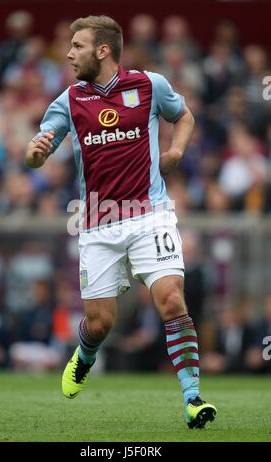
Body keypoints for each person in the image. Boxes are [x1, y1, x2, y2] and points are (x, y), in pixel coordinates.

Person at [25, 15, 217, 429]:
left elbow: (184, 116)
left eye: (77, 45)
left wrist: (177, 152)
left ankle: (193, 398)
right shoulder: (70, 100)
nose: (70, 53)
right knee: (100, 323)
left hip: (151, 214)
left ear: (103, 50)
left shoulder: (150, 86)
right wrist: (36, 153)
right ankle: (85, 355)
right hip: (97, 223)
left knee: (171, 299)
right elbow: (38, 149)